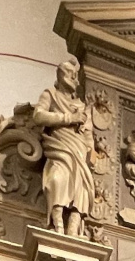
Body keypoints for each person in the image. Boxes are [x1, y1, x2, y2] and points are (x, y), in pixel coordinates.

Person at [33, 59, 94, 236]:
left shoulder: (81, 106)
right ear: (61, 75)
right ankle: (57, 224)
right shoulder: (50, 94)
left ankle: (73, 230)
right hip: (59, 146)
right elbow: (38, 116)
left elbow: (88, 132)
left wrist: (91, 148)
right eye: (70, 74)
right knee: (56, 179)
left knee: (82, 187)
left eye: (75, 76)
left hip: (78, 149)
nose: (73, 79)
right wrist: (68, 118)